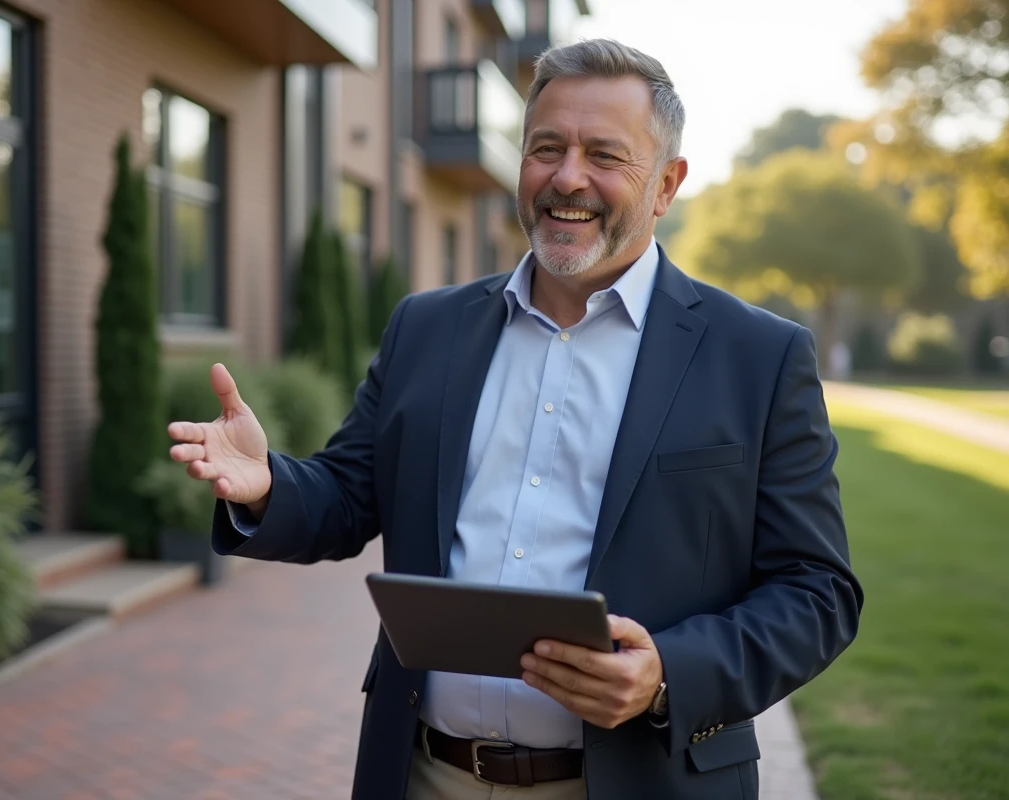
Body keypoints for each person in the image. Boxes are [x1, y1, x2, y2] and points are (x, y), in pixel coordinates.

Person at [168, 38, 862, 800]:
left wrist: (669, 672)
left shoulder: (758, 358)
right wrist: (268, 485)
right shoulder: (426, 328)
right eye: (547, 148)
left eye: (605, 155)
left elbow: (817, 592)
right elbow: (349, 492)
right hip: (424, 775)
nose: (568, 177)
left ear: (666, 184)